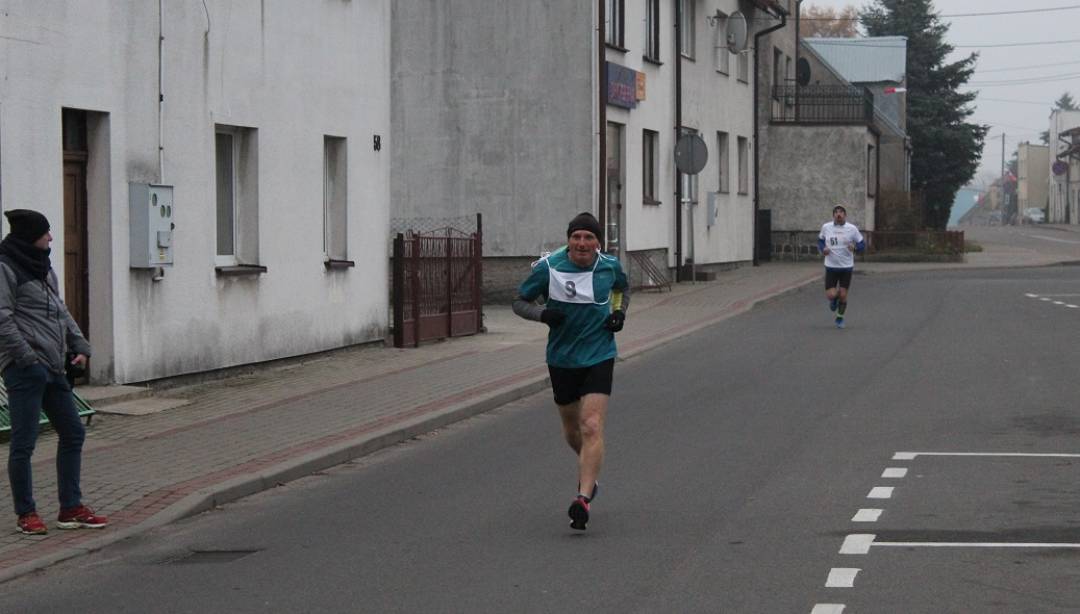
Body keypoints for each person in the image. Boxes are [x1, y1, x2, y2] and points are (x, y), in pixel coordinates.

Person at [513, 212, 629, 531]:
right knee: (572, 430)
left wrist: (618, 313)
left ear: (597, 243)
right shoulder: (548, 267)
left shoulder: (609, 266)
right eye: (576, 237)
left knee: (591, 425)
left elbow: (622, 290)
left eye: (588, 237)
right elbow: (519, 302)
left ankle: (582, 498)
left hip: (600, 353)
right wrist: (543, 314)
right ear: (568, 240)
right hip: (562, 358)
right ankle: (589, 470)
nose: (582, 243)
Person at [0, 209, 107, 535]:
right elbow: (2, 317)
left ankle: (70, 507)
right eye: (45, 232)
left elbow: (60, 312)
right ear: (30, 235)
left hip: (53, 367)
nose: (51, 237)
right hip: (25, 369)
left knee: (73, 432)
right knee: (24, 442)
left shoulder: (44, 268)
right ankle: (26, 514)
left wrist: (81, 346)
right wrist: (26, 357)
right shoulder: (6, 267)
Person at [818, 205, 866, 329]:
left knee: (843, 295)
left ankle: (839, 318)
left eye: (841, 212)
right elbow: (820, 240)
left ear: (845, 215)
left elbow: (862, 244)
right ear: (833, 215)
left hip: (846, 267)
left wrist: (855, 248)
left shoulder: (852, 229)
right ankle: (834, 300)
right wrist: (823, 249)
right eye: (836, 212)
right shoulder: (826, 227)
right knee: (831, 295)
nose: (838, 214)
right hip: (831, 266)